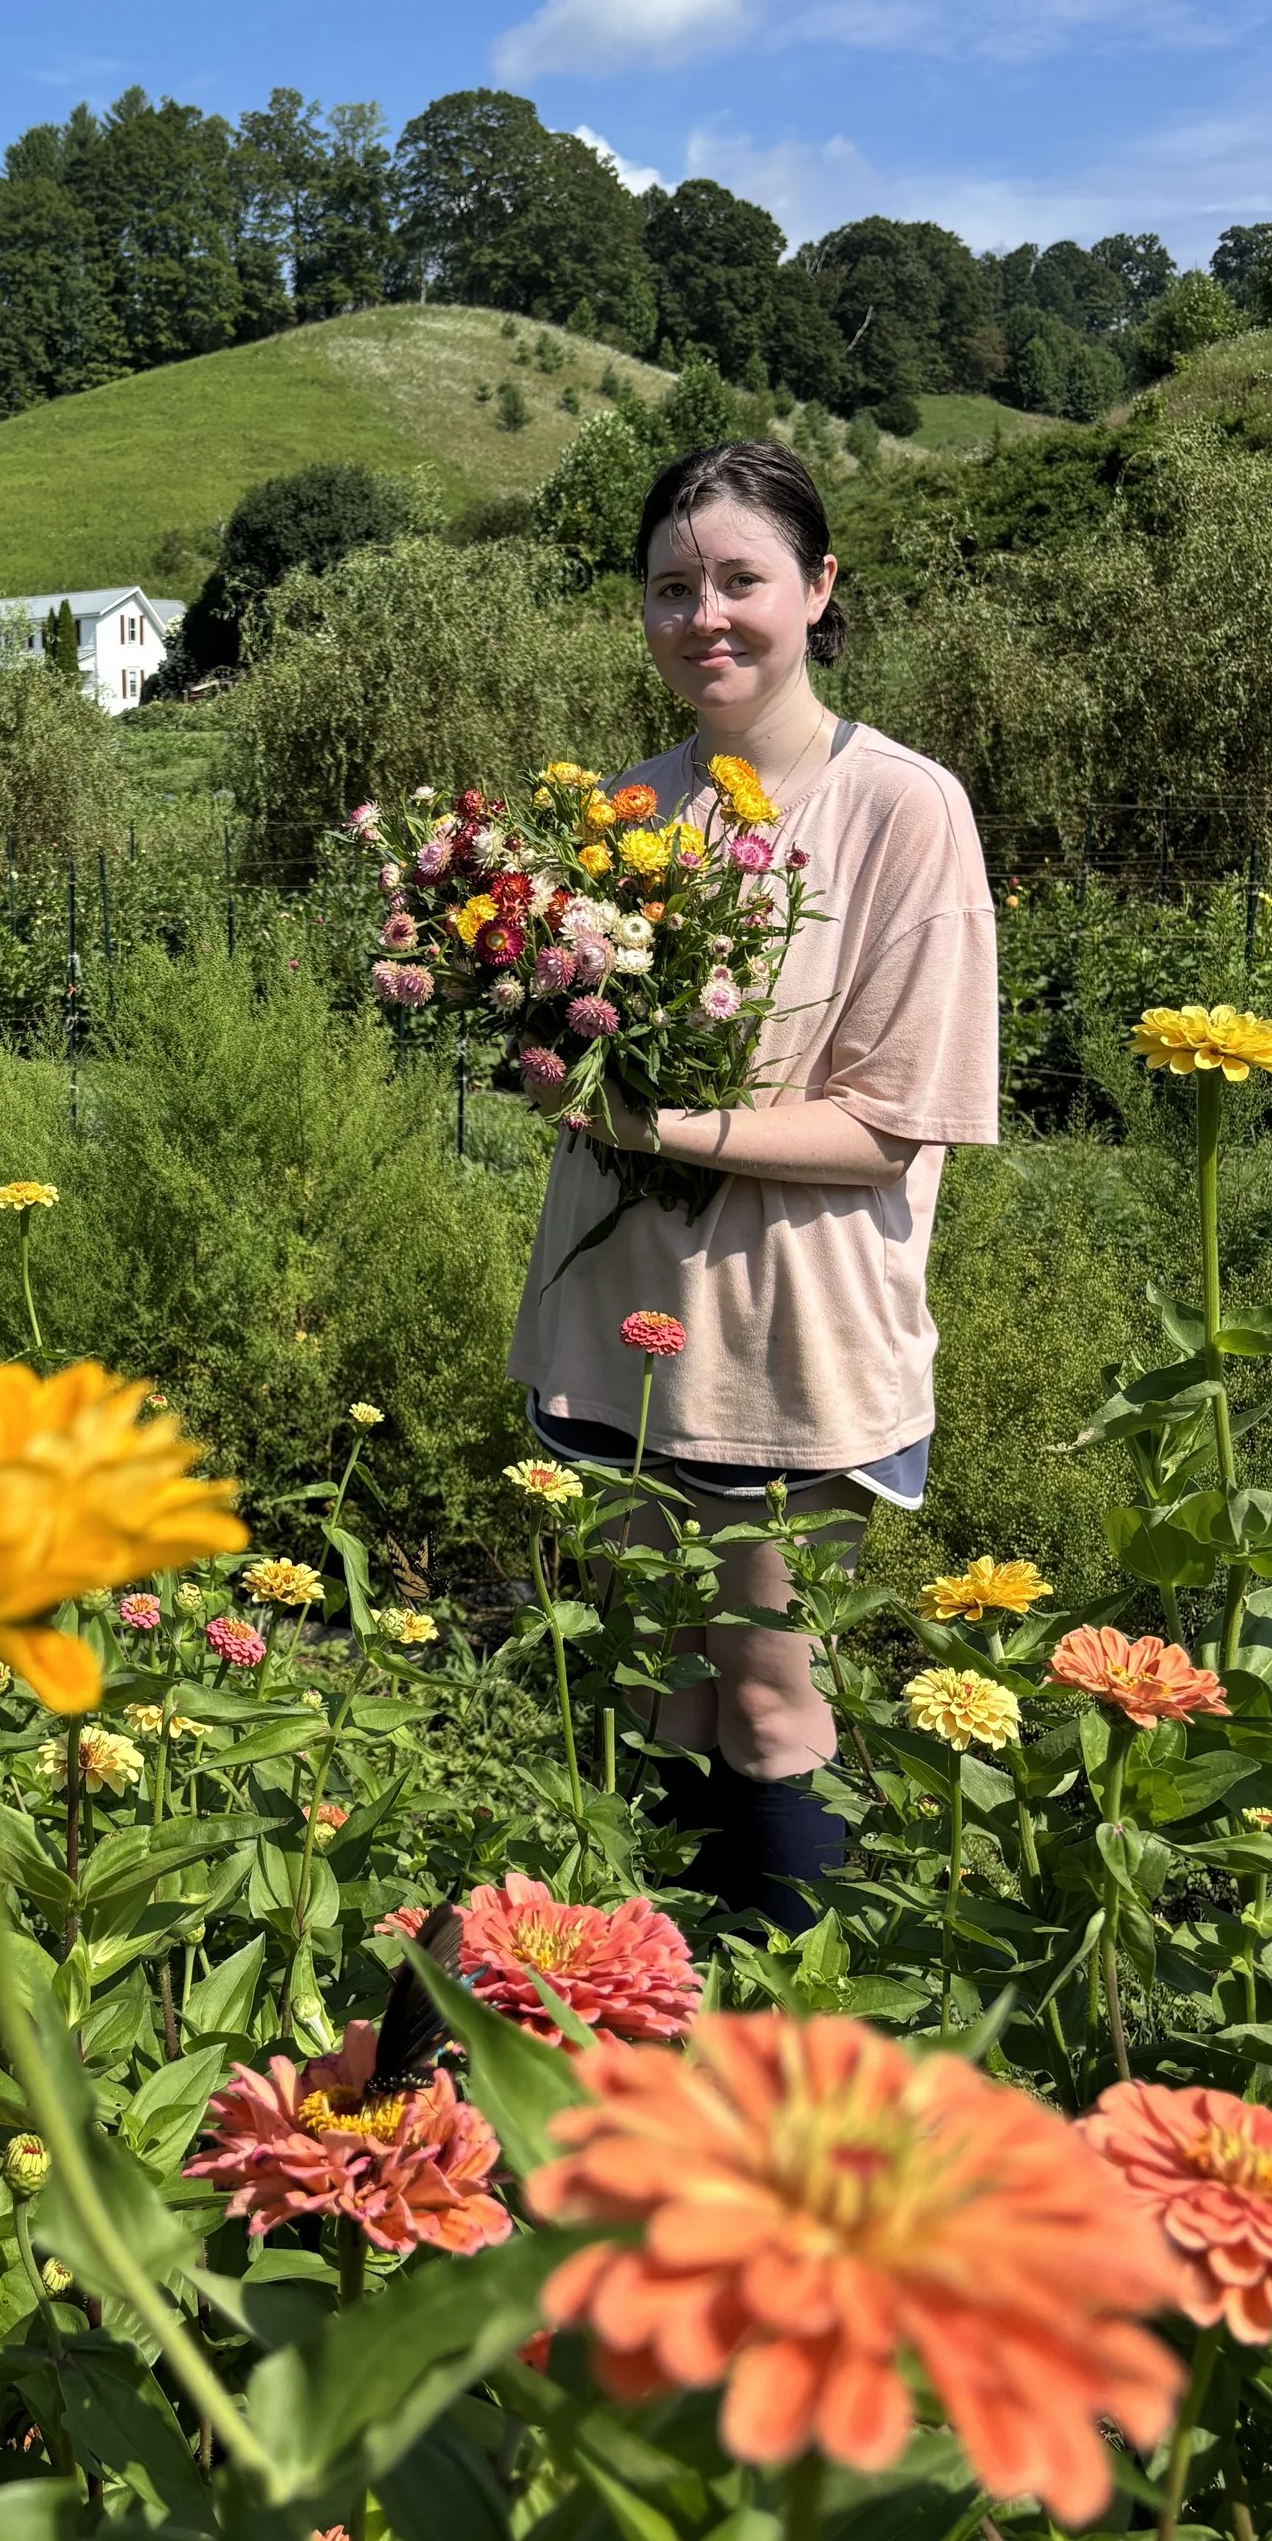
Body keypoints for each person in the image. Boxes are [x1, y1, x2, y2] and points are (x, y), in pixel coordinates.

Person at [505, 437, 999, 1924]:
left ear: (818, 589)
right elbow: (579, 1053)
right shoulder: (623, 810)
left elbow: (889, 1126)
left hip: (788, 1335)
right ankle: (651, 2034)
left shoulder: (903, 809)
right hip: (615, 1317)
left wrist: (648, 1124)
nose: (703, 615)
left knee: (773, 1701)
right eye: (671, 586)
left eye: (740, 580)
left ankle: (791, 2061)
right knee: (657, 1689)